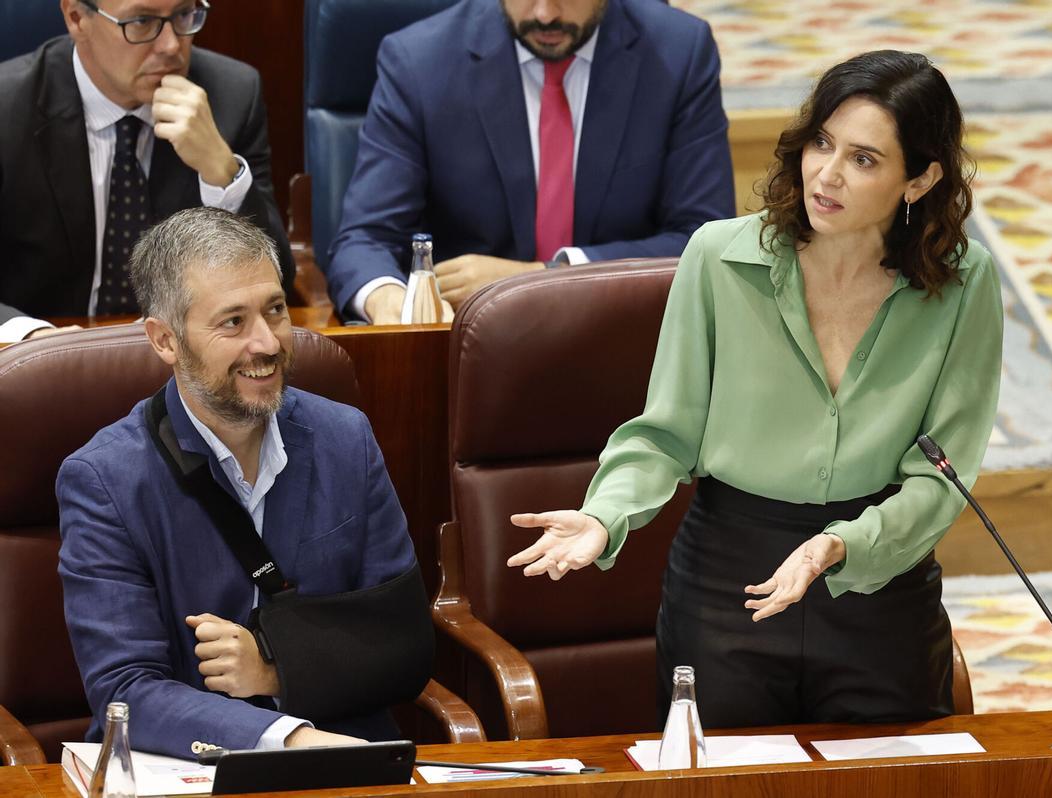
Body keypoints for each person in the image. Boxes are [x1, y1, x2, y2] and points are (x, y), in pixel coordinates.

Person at [508, 50, 1003, 728]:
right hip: (726, 584)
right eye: (821, 143)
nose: (826, 174)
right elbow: (666, 433)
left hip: (877, 582)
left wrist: (840, 545)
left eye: (864, 159)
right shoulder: (718, 257)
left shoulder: (963, 282)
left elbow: (943, 474)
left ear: (920, 180)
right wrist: (605, 515)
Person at [57, 208, 429, 758]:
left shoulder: (345, 438)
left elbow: (404, 648)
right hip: (185, 767)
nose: (267, 343)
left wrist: (276, 669)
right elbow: (125, 690)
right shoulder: (105, 480)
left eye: (275, 310)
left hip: (349, 761)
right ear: (166, 340)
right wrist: (287, 737)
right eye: (232, 322)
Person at [323, 0, 734, 320]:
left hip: (626, 344)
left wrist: (543, 277)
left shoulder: (678, 54)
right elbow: (365, 239)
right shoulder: (418, 62)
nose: (545, 13)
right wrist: (394, 303)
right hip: (467, 355)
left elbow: (702, 237)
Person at [0, 0, 294, 343]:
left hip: (181, 365)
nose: (171, 45)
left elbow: (278, 280)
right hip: (35, 366)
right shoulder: (8, 107)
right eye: (141, 22)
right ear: (77, 18)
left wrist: (221, 170)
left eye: (184, 14)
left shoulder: (232, 95)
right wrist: (30, 336)